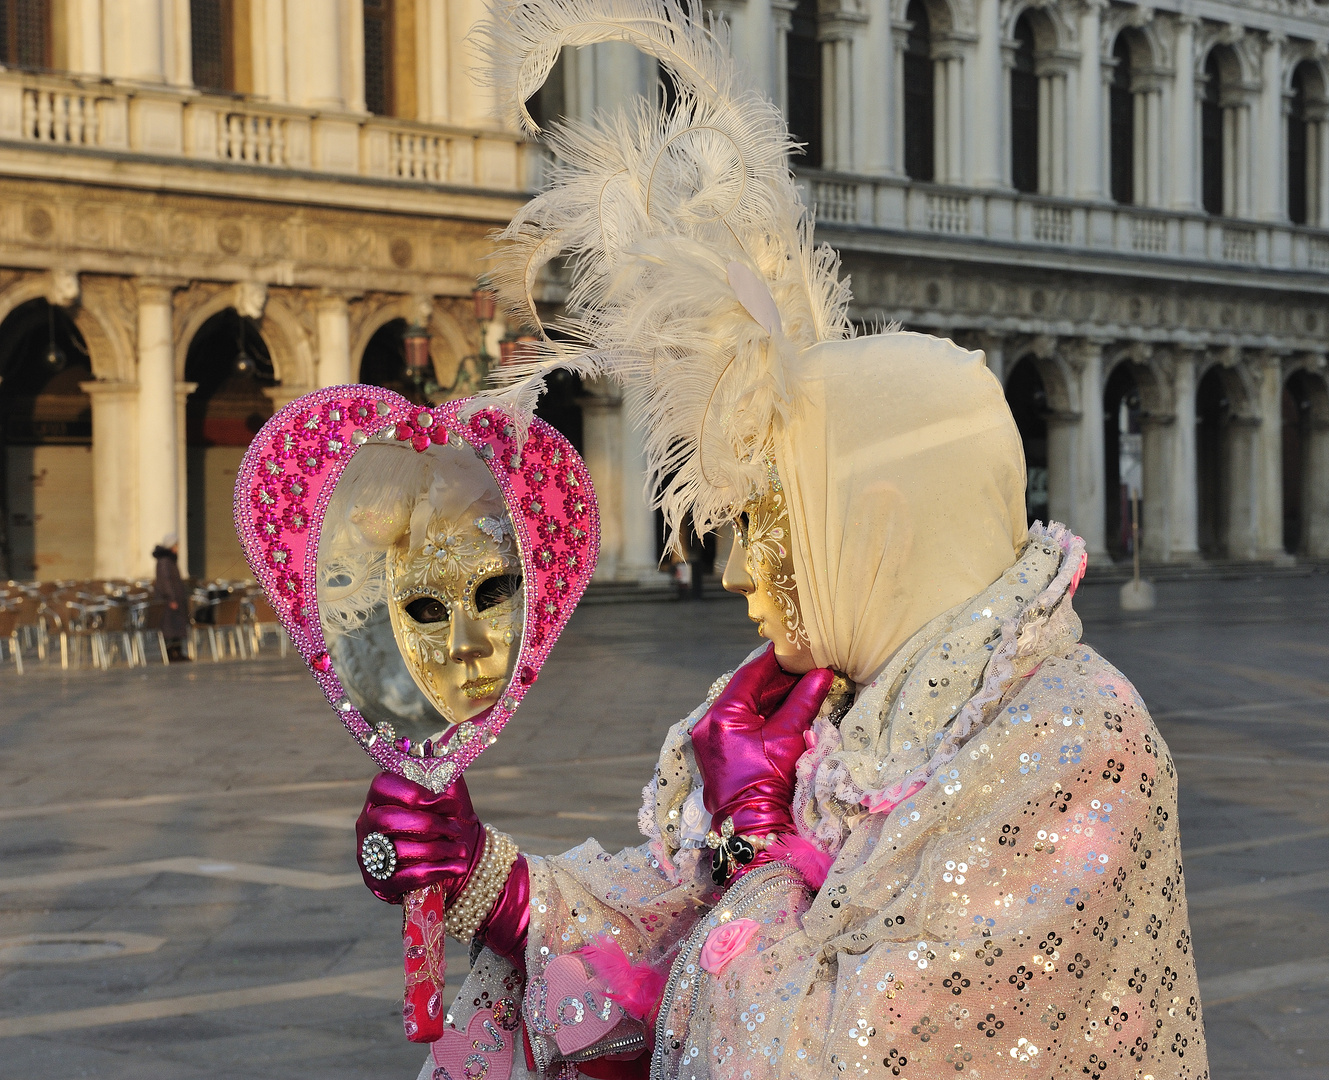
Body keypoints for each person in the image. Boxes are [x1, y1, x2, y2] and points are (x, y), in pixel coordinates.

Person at [353, 3, 1209, 1078]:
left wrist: (757, 846)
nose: (740, 576)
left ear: (879, 530)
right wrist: (494, 882)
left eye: (775, 526)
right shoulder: (821, 707)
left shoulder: (1075, 745)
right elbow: (676, 942)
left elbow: (843, 1052)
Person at [151, 533, 189, 662]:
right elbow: (166, 581)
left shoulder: (170, 560)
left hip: (176, 598)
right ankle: (170, 653)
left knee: (177, 627)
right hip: (168, 601)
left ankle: (177, 651)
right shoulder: (164, 561)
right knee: (170, 628)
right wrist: (171, 598)